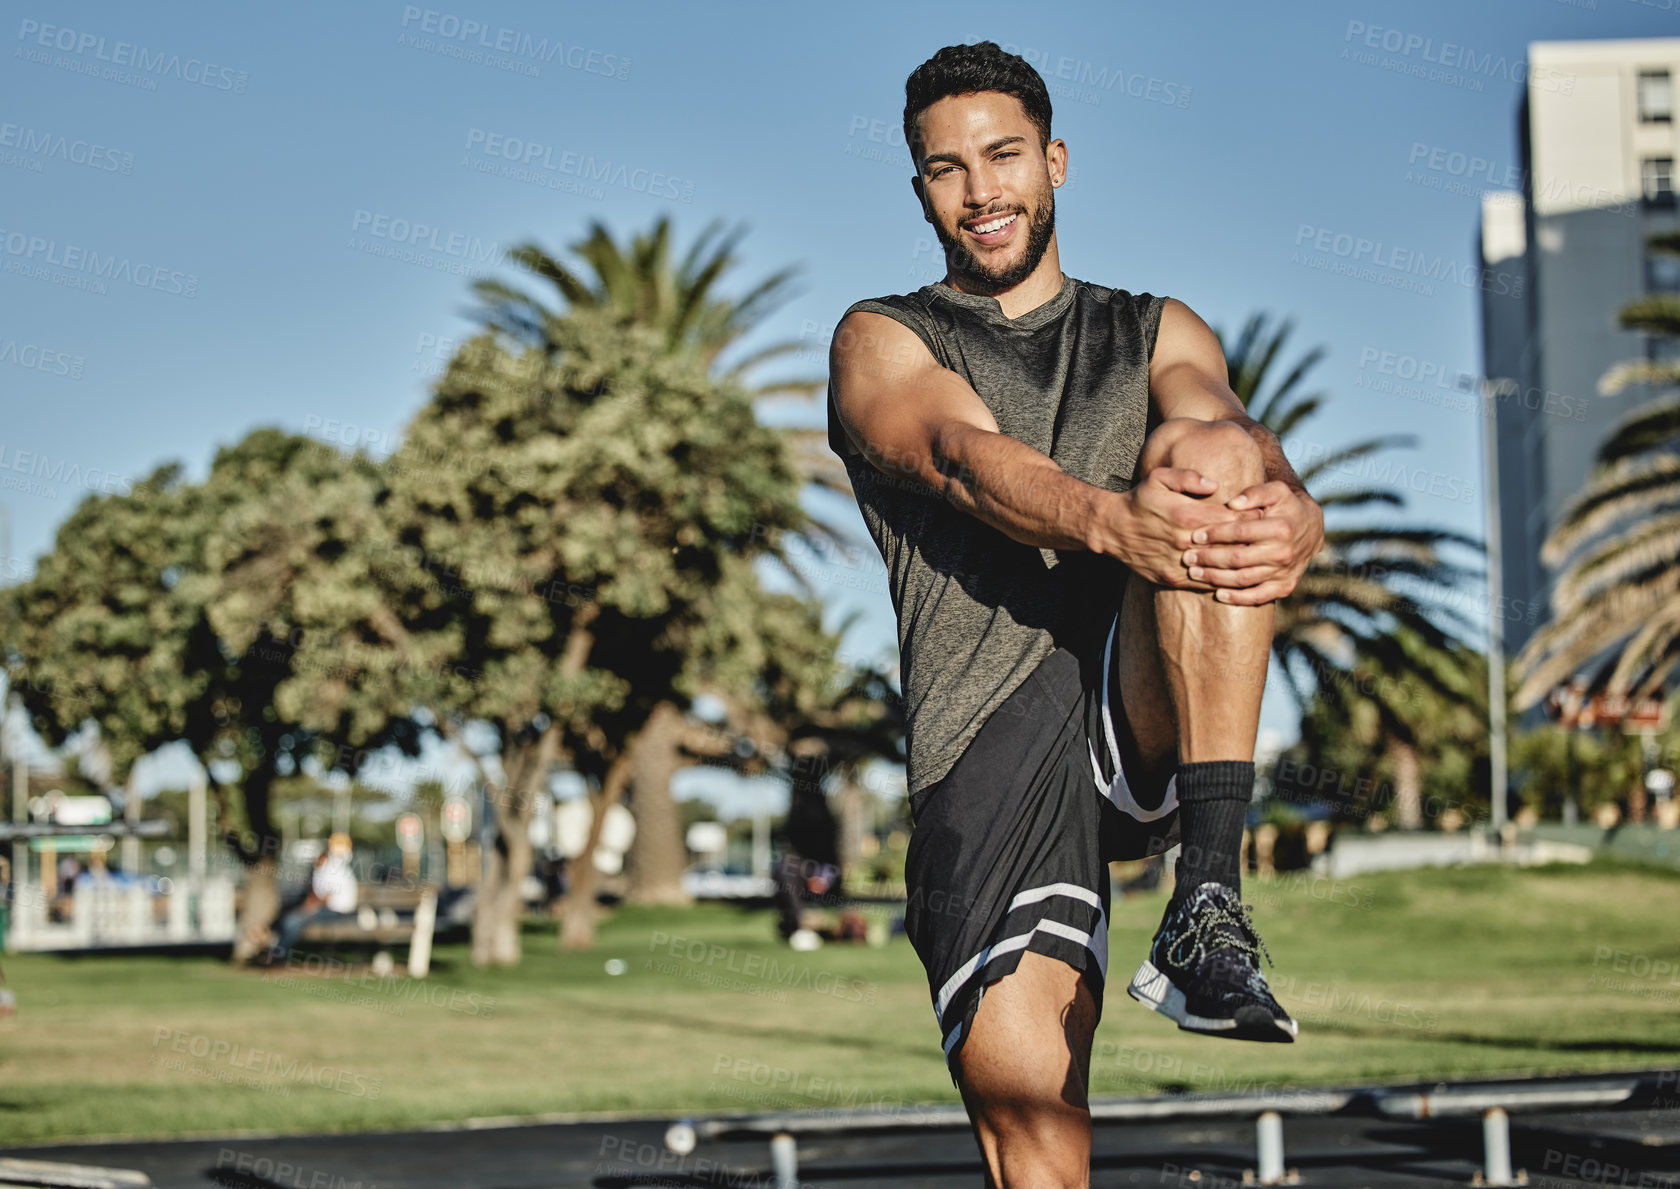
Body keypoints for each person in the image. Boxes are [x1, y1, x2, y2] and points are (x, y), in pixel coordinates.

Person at [825, 42, 1325, 1185]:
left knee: (1216, 460)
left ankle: (1207, 896)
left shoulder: (1156, 330)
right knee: (1037, 1114)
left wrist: (1299, 515)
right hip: (984, 734)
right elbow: (959, 455)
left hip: (1132, 691)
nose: (981, 190)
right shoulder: (882, 337)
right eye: (946, 169)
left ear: (1054, 161)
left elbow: (1248, 452)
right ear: (921, 193)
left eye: (1003, 155)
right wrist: (1113, 522)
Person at [269, 833, 358, 959]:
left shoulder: (332, 867)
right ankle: (271, 945)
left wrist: (307, 909)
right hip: (332, 909)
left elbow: (325, 897)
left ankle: (277, 955)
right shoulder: (331, 866)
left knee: (293, 921)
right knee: (289, 916)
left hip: (337, 911)